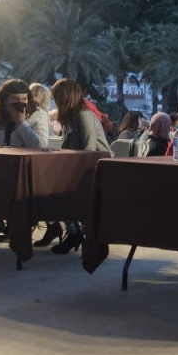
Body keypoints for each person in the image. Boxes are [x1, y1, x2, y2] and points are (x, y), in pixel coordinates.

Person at [41, 78, 112, 253]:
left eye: (56, 97)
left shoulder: (84, 115)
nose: (55, 102)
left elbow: (88, 151)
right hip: (79, 168)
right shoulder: (72, 117)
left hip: (94, 170)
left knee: (58, 192)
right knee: (47, 188)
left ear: (64, 97)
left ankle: (76, 234)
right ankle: (73, 233)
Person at [0, 79, 49, 240]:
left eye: (24, 99)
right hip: (3, 164)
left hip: (29, 166)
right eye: (15, 99)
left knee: (16, 185)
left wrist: (21, 122)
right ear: (5, 101)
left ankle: (14, 225)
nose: (20, 103)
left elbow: (40, 145)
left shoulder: (39, 115)